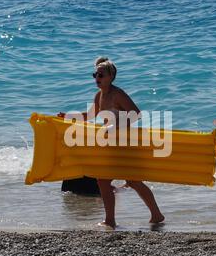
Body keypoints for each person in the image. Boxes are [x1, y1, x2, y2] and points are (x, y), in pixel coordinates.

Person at [57, 57, 165, 228]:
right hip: (111, 143)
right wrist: (69, 116)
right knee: (108, 180)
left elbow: (136, 114)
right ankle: (122, 218)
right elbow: (90, 116)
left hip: (125, 142)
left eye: (101, 75)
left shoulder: (117, 94)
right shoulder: (99, 96)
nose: (97, 78)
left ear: (111, 77)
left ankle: (150, 215)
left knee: (131, 181)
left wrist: (116, 125)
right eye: (95, 74)